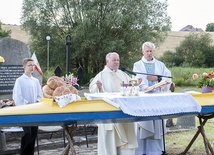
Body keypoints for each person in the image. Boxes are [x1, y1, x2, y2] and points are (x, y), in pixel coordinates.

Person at [89, 52, 138, 155]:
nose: (116, 62)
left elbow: (131, 86)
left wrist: (136, 83)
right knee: (110, 141)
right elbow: (92, 90)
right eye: (114, 60)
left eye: (118, 60)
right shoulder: (101, 75)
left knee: (126, 142)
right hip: (109, 113)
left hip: (124, 111)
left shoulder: (123, 74)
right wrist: (98, 87)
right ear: (107, 62)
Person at [133, 41, 172, 155]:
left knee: (156, 124)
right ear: (143, 52)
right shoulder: (137, 65)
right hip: (144, 99)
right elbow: (137, 80)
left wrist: (158, 80)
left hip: (157, 99)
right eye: (147, 51)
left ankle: (156, 151)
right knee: (144, 125)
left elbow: (168, 77)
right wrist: (146, 87)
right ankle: (142, 151)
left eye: (151, 51)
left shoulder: (160, 64)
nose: (149, 53)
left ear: (153, 51)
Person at [13, 58, 43, 155]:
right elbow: (17, 96)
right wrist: (27, 103)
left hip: (34, 110)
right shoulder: (19, 80)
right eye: (30, 65)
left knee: (33, 133)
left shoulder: (35, 81)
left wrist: (37, 102)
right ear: (24, 66)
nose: (32, 67)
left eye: (33, 65)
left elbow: (40, 95)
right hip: (24, 111)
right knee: (27, 133)